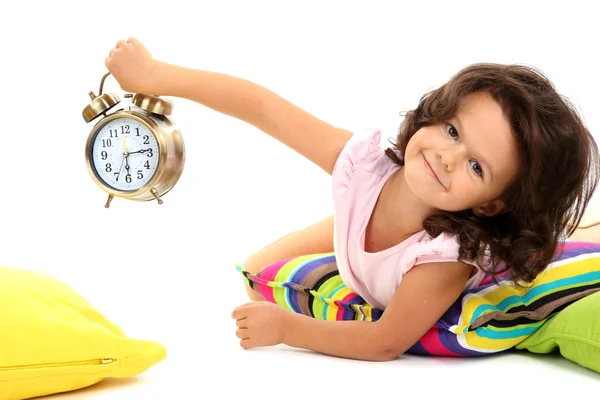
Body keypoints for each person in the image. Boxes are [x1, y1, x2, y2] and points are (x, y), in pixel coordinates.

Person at [105, 37, 600, 362]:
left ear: (491, 204)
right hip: (370, 216)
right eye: (452, 129)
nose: (448, 156)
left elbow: (385, 342)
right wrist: (156, 75)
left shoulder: (445, 257)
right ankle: (351, 225)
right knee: (254, 271)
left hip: (480, 255)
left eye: (476, 166)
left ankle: (581, 232)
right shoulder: (366, 164)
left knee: (555, 247)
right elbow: (263, 107)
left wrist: (287, 330)